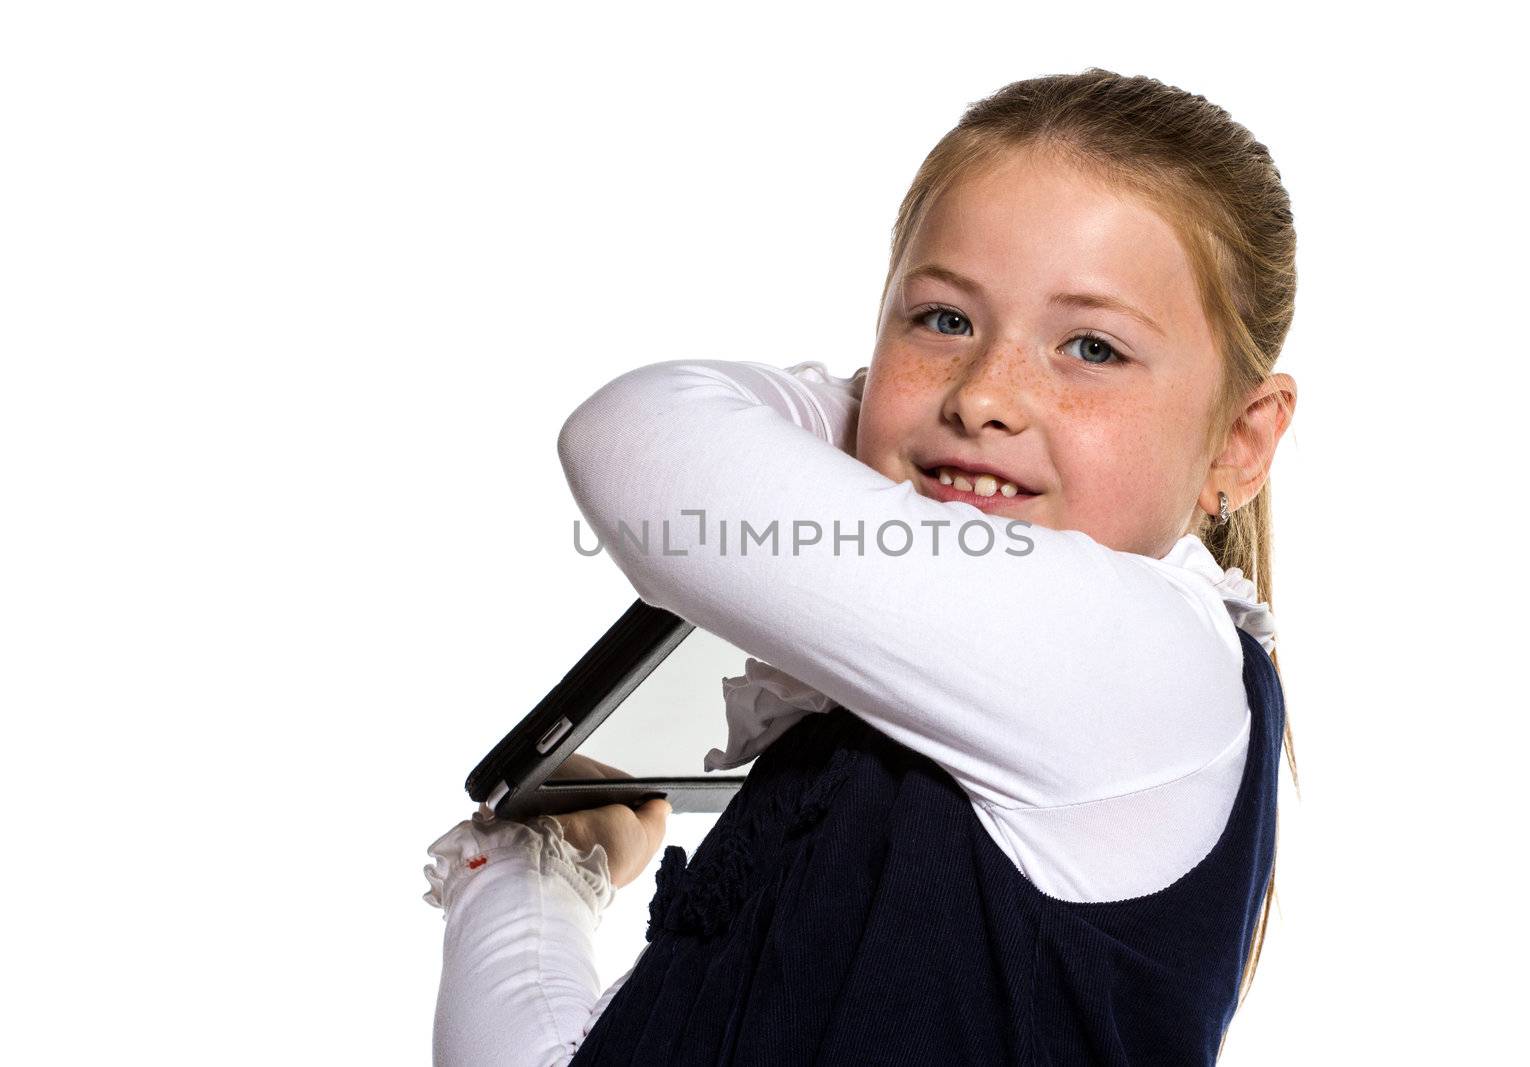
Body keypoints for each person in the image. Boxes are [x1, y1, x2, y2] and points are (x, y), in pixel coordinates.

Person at [423, 67, 1300, 1065]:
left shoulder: (1145, 667)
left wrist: (860, 424)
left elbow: (635, 438)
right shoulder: (865, 747)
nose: (982, 395)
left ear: (1239, 439)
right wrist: (528, 873)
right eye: (942, 320)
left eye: (1090, 345)